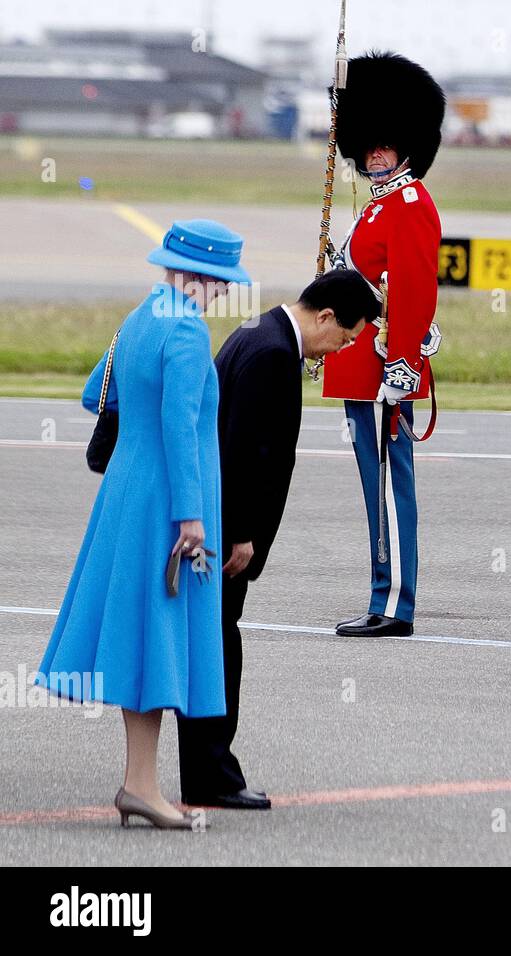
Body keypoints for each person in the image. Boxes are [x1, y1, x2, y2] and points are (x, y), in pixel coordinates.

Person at [33, 219, 250, 829]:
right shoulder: (184, 329)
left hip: (125, 494)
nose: (225, 293)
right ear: (204, 276)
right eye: (222, 282)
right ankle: (142, 785)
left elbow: (91, 394)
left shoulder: (139, 318)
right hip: (167, 506)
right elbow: (181, 428)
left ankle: (141, 784)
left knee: (143, 639)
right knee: (162, 639)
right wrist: (193, 519)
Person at [177, 270, 380, 810]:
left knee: (213, 643)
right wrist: (243, 533)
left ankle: (207, 771)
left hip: (215, 523)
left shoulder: (259, 331)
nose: (340, 349)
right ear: (326, 317)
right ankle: (212, 776)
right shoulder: (271, 353)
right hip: (224, 532)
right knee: (218, 648)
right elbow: (245, 450)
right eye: (346, 337)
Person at [323, 51, 446, 639]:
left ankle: (395, 603)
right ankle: (383, 595)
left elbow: (416, 290)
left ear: (405, 145)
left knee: (390, 492)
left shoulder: (408, 204)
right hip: (360, 370)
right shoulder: (377, 206)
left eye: (384, 145)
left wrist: (403, 362)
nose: (374, 154)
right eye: (367, 144)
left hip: (381, 371)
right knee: (376, 491)